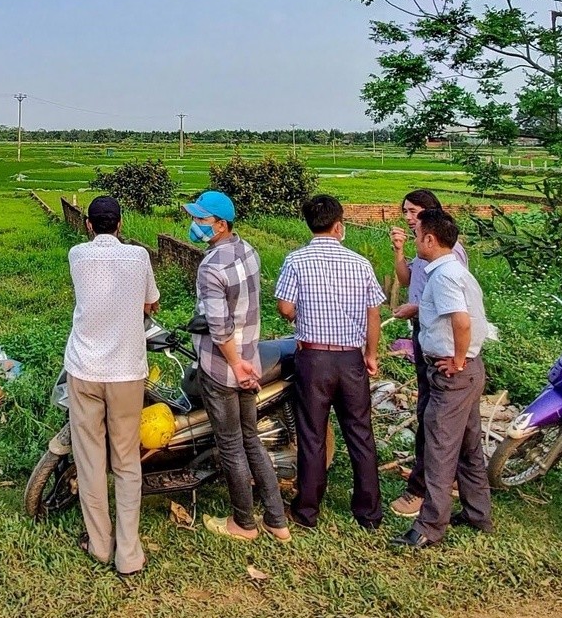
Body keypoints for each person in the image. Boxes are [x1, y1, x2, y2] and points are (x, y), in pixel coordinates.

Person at [184, 190, 292, 543]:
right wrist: (246, 365)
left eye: (201, 220)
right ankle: (277, 520)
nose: (195, 225)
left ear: (220, 225)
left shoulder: (211, 267)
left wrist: (235, 366)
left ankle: (244, 524)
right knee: (251, 439)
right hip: (252, 358)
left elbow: (220, 328)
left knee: (230, 444)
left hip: (225, 367)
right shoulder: (248, 251)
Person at [275, 195, 387, 531]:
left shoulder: (296, 260)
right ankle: (368, 513)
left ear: (309, 224)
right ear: (339, 225)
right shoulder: (360, 263)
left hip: (313, 357)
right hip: (351, 359)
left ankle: (307, 511)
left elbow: (284, 307)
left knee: (312, 434)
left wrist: (299, 315)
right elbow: (374, 313)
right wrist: (371, 354)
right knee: (360, 433)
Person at [62, 195, 161, 575]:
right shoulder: (139, 258)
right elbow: (151, 303)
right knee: (126, 462)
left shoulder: (77, 255)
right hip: (126, 373)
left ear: (89, 225)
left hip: (85, 369)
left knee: (89, 461)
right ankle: (130, 554)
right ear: (120, 224)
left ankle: (100, 545)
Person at [391, 208, 493, 550]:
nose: (415, 238)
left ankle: (430, 525)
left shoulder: (444, 275)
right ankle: (479, 513)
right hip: (469, 371)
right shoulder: (454, 271)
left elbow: (461, 321)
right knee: (468, 447)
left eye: (417, 234)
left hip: (453, 374)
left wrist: (458, 359)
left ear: (430, 239)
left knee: (438, 448)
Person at [387, 189, 470, 518]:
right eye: (405, 211)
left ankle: (422, 491)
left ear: (431, 213)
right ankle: (459, 484)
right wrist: (398, 252)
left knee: (433, 417)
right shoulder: (424, 249)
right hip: (425, 334)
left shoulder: (451, 254)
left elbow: (456, 310)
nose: (407, 217)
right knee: (443, 416)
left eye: (414, 211)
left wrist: (416, 310)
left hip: (442, 341)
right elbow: (408, 279)